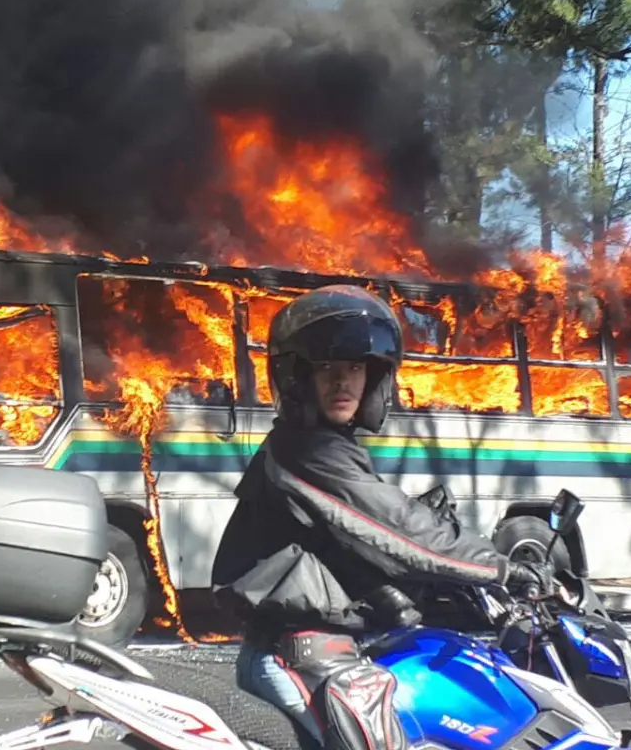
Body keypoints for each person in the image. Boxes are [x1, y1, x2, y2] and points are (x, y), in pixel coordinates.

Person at [211, 285, 556, 750]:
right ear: (297, 377)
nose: (343, 382)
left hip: (324, 652)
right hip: (302, 660)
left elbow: (349, 548)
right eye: (327, 368)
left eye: (356, 368)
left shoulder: (332, 446)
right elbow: (396, 527)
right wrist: (501, 567)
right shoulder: (306, 449)